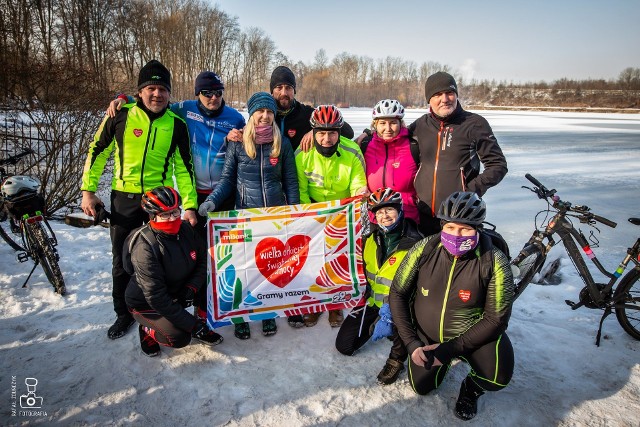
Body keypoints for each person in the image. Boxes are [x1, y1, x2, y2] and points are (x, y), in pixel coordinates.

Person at [107, 71, 246, 332]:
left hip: (224, 195)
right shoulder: (183, 109)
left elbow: (251, 143)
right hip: (194, 195)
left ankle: (223, 306)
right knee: (191, 254)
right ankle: (160, 308)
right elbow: (152, 101)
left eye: (218, 92)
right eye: (207, 92)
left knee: (224, 255)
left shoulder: (236, 118)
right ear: (197, 94)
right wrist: (123, 97)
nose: (213, 97)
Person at [81, 59, 198, 341]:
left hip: (159, 203)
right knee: (122, 260)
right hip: (124, 198)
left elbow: (184, 168)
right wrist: (88, 190)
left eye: (162, 89)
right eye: (151, 88)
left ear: (170, 93)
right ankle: (123, 313)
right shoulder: (120, 115)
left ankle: (156, 313)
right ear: (141, 90)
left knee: (162, 261)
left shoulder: (177, 124)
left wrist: (190, 205)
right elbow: (97, 152)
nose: (157, 94)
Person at [389, 191, 515, 421]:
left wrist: (447, 351)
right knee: (421, 387)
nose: (457, 235)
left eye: (465, 229)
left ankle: (471, 388)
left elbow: (496, 319)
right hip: (427, 336)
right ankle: (440, 363)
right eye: (450, 228)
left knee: (497, 377)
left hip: (472, 335)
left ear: (478, 228)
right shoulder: (425, 248)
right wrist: (412, 343)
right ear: (442, 226)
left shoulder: (494, 260)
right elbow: (397, 293)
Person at [198, 92, 299, 340]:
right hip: (245, 215)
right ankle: (240, 316)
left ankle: (266, 312)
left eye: (269, 112)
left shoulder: (282, 143)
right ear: (251, 114)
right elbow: (227, 180)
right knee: (244, 268)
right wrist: (212, 200)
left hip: (274, 217)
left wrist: (295, 212)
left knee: (269, 267)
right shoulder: (238, 142)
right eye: (260, 112)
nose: (265, 116)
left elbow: (291, 182)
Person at [335, 188, 422, 385]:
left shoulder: (416, 242)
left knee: (405, 326)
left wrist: (395, 311)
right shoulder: (371, 238)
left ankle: (397, 358)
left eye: (389, 210)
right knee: (344, 346)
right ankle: (382, 327)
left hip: (401, 307)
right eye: (379, 212)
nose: (384, 216)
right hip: (373, 303)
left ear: (400, 210)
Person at [124, 186, 223, 357]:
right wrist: (191, 325)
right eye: (165, 215)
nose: (172, 218)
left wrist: (192, 287)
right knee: (179, 337)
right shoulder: (145, 246)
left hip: (178, 290)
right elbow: (155, 296)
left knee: (215, 281)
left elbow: (203, 260)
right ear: (153, 216)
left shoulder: (186, 229)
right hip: (146, 303)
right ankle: (148, 330)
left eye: (176, 212)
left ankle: (202, 324)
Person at [408, 71, 508, 236]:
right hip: (424, 213)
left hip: (459, 217)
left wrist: (469, 191)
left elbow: (498, 165)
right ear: (429, 100)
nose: (445, 99)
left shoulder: (474, 124)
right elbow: (393, 135)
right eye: (438, 94)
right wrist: (368, 134)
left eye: (450, 93)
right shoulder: (421, 125)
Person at [295, 104, 367, 328]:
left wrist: (357, 199)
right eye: (322, 133)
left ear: (340, 132)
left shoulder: (352, 151)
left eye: (332, 133)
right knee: (315, 259)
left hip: (342, 210)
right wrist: (310, 217)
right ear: (313, 133)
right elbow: (300, 190)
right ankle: (315, 304)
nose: (327, 138)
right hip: (314, 209)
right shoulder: (302, 153)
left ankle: (335, 304)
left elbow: (358, 185)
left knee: (339, 258)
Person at [360, 99, 419, 223]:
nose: (388, 128)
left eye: (393, 123)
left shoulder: (413, 146)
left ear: (400, 123)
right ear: (375, 125)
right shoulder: (365, 145)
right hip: (375, 218)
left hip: (407, 218)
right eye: (382, 123)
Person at [269, 65, 354, 152]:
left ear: (294, 91)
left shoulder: (305, 113)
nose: (284, 92)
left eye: (288, 88)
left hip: (299, 165)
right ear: (272, 91)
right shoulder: (265, 115)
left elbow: (348, 133)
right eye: (279, 88)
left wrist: (316, 131)